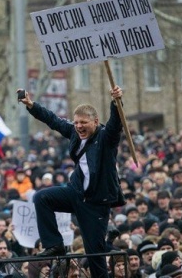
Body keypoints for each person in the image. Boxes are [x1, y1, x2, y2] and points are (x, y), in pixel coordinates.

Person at [17, 86, 126, 278]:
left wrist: (116, 102)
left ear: (95, 122)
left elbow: (116, 124)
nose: (79, 126)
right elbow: (53, 120)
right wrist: (31, 105)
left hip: (95, 203)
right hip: (76, 193)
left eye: (83, 122)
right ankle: (54, 245)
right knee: (42, 198)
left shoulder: (106, 138)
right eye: (76, 123)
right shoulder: (75, 133)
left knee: (95, 254)